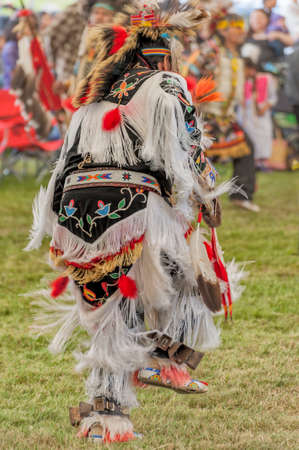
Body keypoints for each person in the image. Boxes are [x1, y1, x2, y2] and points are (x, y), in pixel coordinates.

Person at [26, 1, 243, 444]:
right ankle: (165, 360)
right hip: (131, 204)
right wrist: (208, 192)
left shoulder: (95, 94)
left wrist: (56, 220)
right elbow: (189, 150)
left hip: (73, 212)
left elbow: (65, 162)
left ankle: (109, 414)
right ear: (164, 52)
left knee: (113, 307)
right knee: (190, 269)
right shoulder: (167, 83)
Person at [185, 12, 260, 212]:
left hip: (227, 116)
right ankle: (189, 195)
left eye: (241, 27)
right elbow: (189, 73)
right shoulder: (211, 49)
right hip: (207, 114)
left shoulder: (235, 54)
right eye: (236, 27)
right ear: (224, 30)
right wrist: (194, 101)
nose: (241, 31)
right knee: (196, 155)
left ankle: (240, 196)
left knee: (246, 149)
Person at [238, 57, 277, 171]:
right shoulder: (243, 81)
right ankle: (252, 162)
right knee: (250, 136)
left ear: (252, 69)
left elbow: (272, 97)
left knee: (264, 135)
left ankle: (263, 162)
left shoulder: (266, 78)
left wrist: (264, 107)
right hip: (247, 114)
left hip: (262, 113)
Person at [1, 19, 18, 90]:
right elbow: (12, 71)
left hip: (9, 84)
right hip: (11, 87)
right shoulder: (11, 47)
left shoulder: (10, 45)